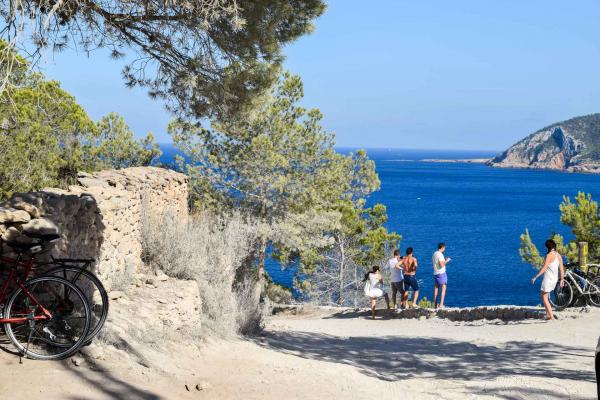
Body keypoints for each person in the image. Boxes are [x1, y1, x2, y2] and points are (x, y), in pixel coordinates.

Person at [531, 239, 565, 320]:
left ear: (547, 247)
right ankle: (549, 315)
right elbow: (561, 268)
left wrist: (536, 277)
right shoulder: (558, 255)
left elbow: (545, 268)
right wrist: (562, 279)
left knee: (544, 297)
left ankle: (551, 317)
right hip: (554, 279)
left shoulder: (549, 255)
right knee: (545, 296)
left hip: (548, 278)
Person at [432, 243, 451, 309]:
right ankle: (441, 304)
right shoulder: (440, 254)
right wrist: (447, 260)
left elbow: (435, 263)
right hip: (441, 273)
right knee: (443, 288)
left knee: (436, 288)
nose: (445, 249)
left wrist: (443, 260)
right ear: (442, 247)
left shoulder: (434, 253)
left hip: (436, 273)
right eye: (444, 248)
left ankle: (435, 304)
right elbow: (442, 265)